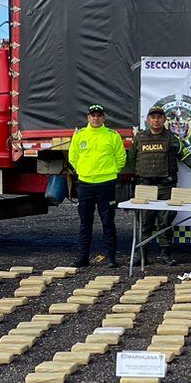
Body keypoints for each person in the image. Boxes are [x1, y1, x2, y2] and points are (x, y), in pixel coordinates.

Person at [123, 105, 191, 266]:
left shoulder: (172, 138)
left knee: (165, 221)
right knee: (145, 221)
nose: (156, 120)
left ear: (164, 120)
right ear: (148, 120)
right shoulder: (140, 138)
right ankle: (142, 254)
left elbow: (186, 156)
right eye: (153, 117)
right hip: (145, 186)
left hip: (166, 186)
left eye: (159, 117)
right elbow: (131, 160)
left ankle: (165, 254)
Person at [68, 104, 125, 266]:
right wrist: (83, 171)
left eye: (99, 115)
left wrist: (111, 171)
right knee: (85, 222)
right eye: (93, 115)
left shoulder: (112, 135)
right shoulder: (80, 135)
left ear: (103, 118)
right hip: (85, 184)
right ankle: (82, 258)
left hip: (106, 184)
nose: (96, 118)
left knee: (108, 222)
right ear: (88, 117)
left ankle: (111, 258)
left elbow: (121, 158)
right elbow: (73, 157)